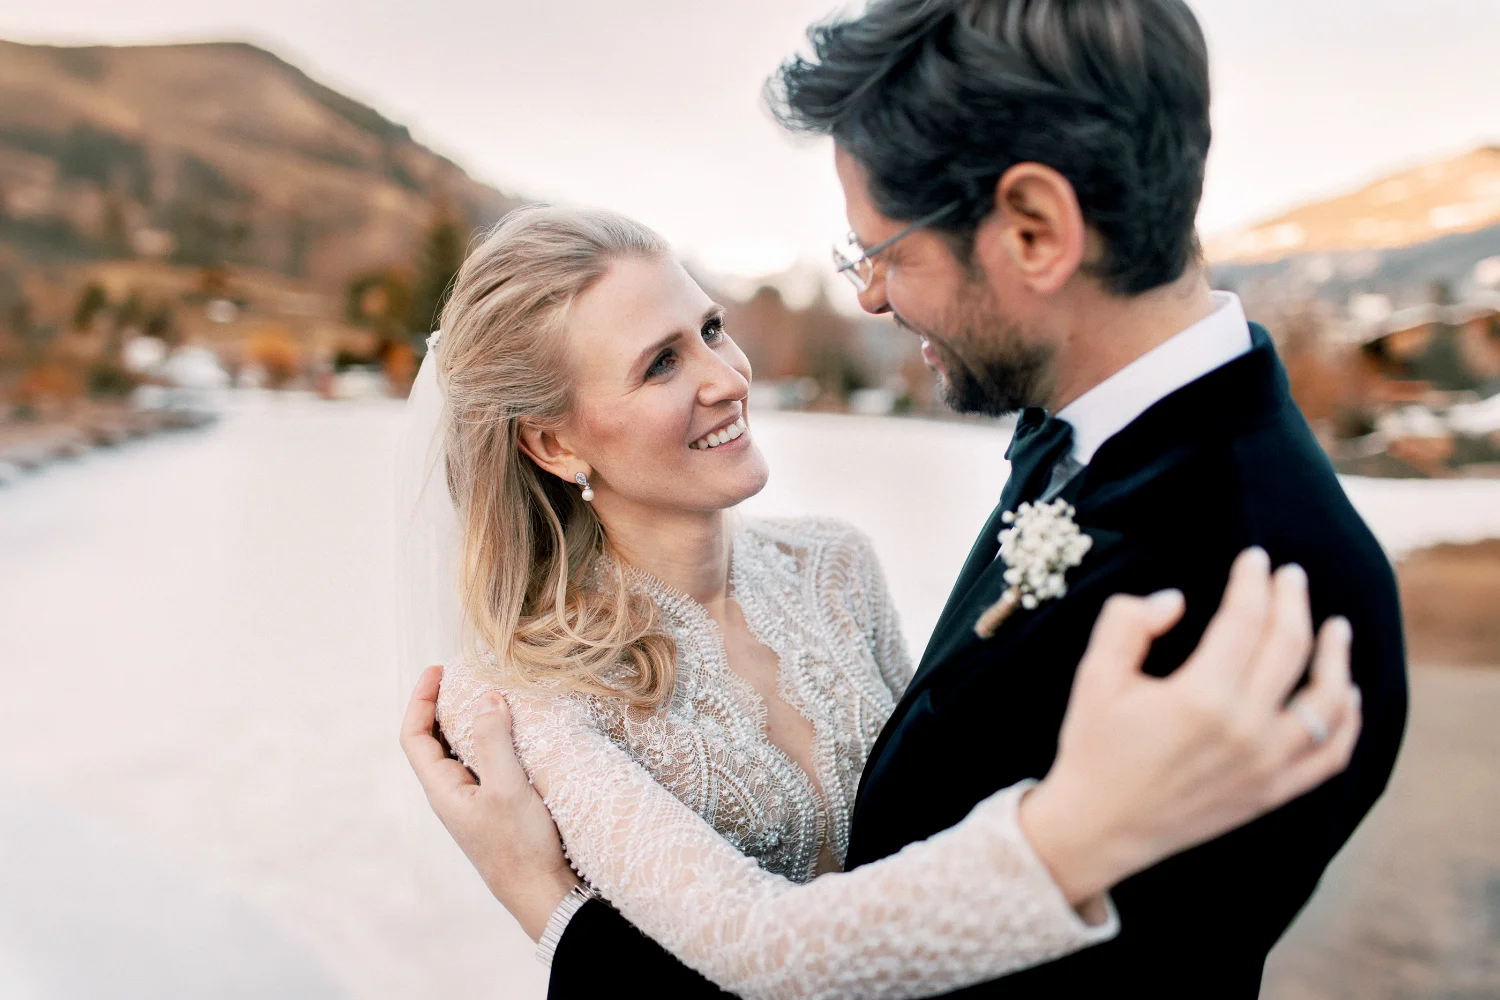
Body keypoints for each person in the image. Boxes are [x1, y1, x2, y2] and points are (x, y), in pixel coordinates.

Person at [397, 194, 1367, 997]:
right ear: (555, 443)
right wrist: (1077, 829)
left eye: (710, 330)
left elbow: (929, 812)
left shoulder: (836, 565)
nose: (726, 378)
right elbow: (753, 940)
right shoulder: (543, 691)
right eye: (661, 363)